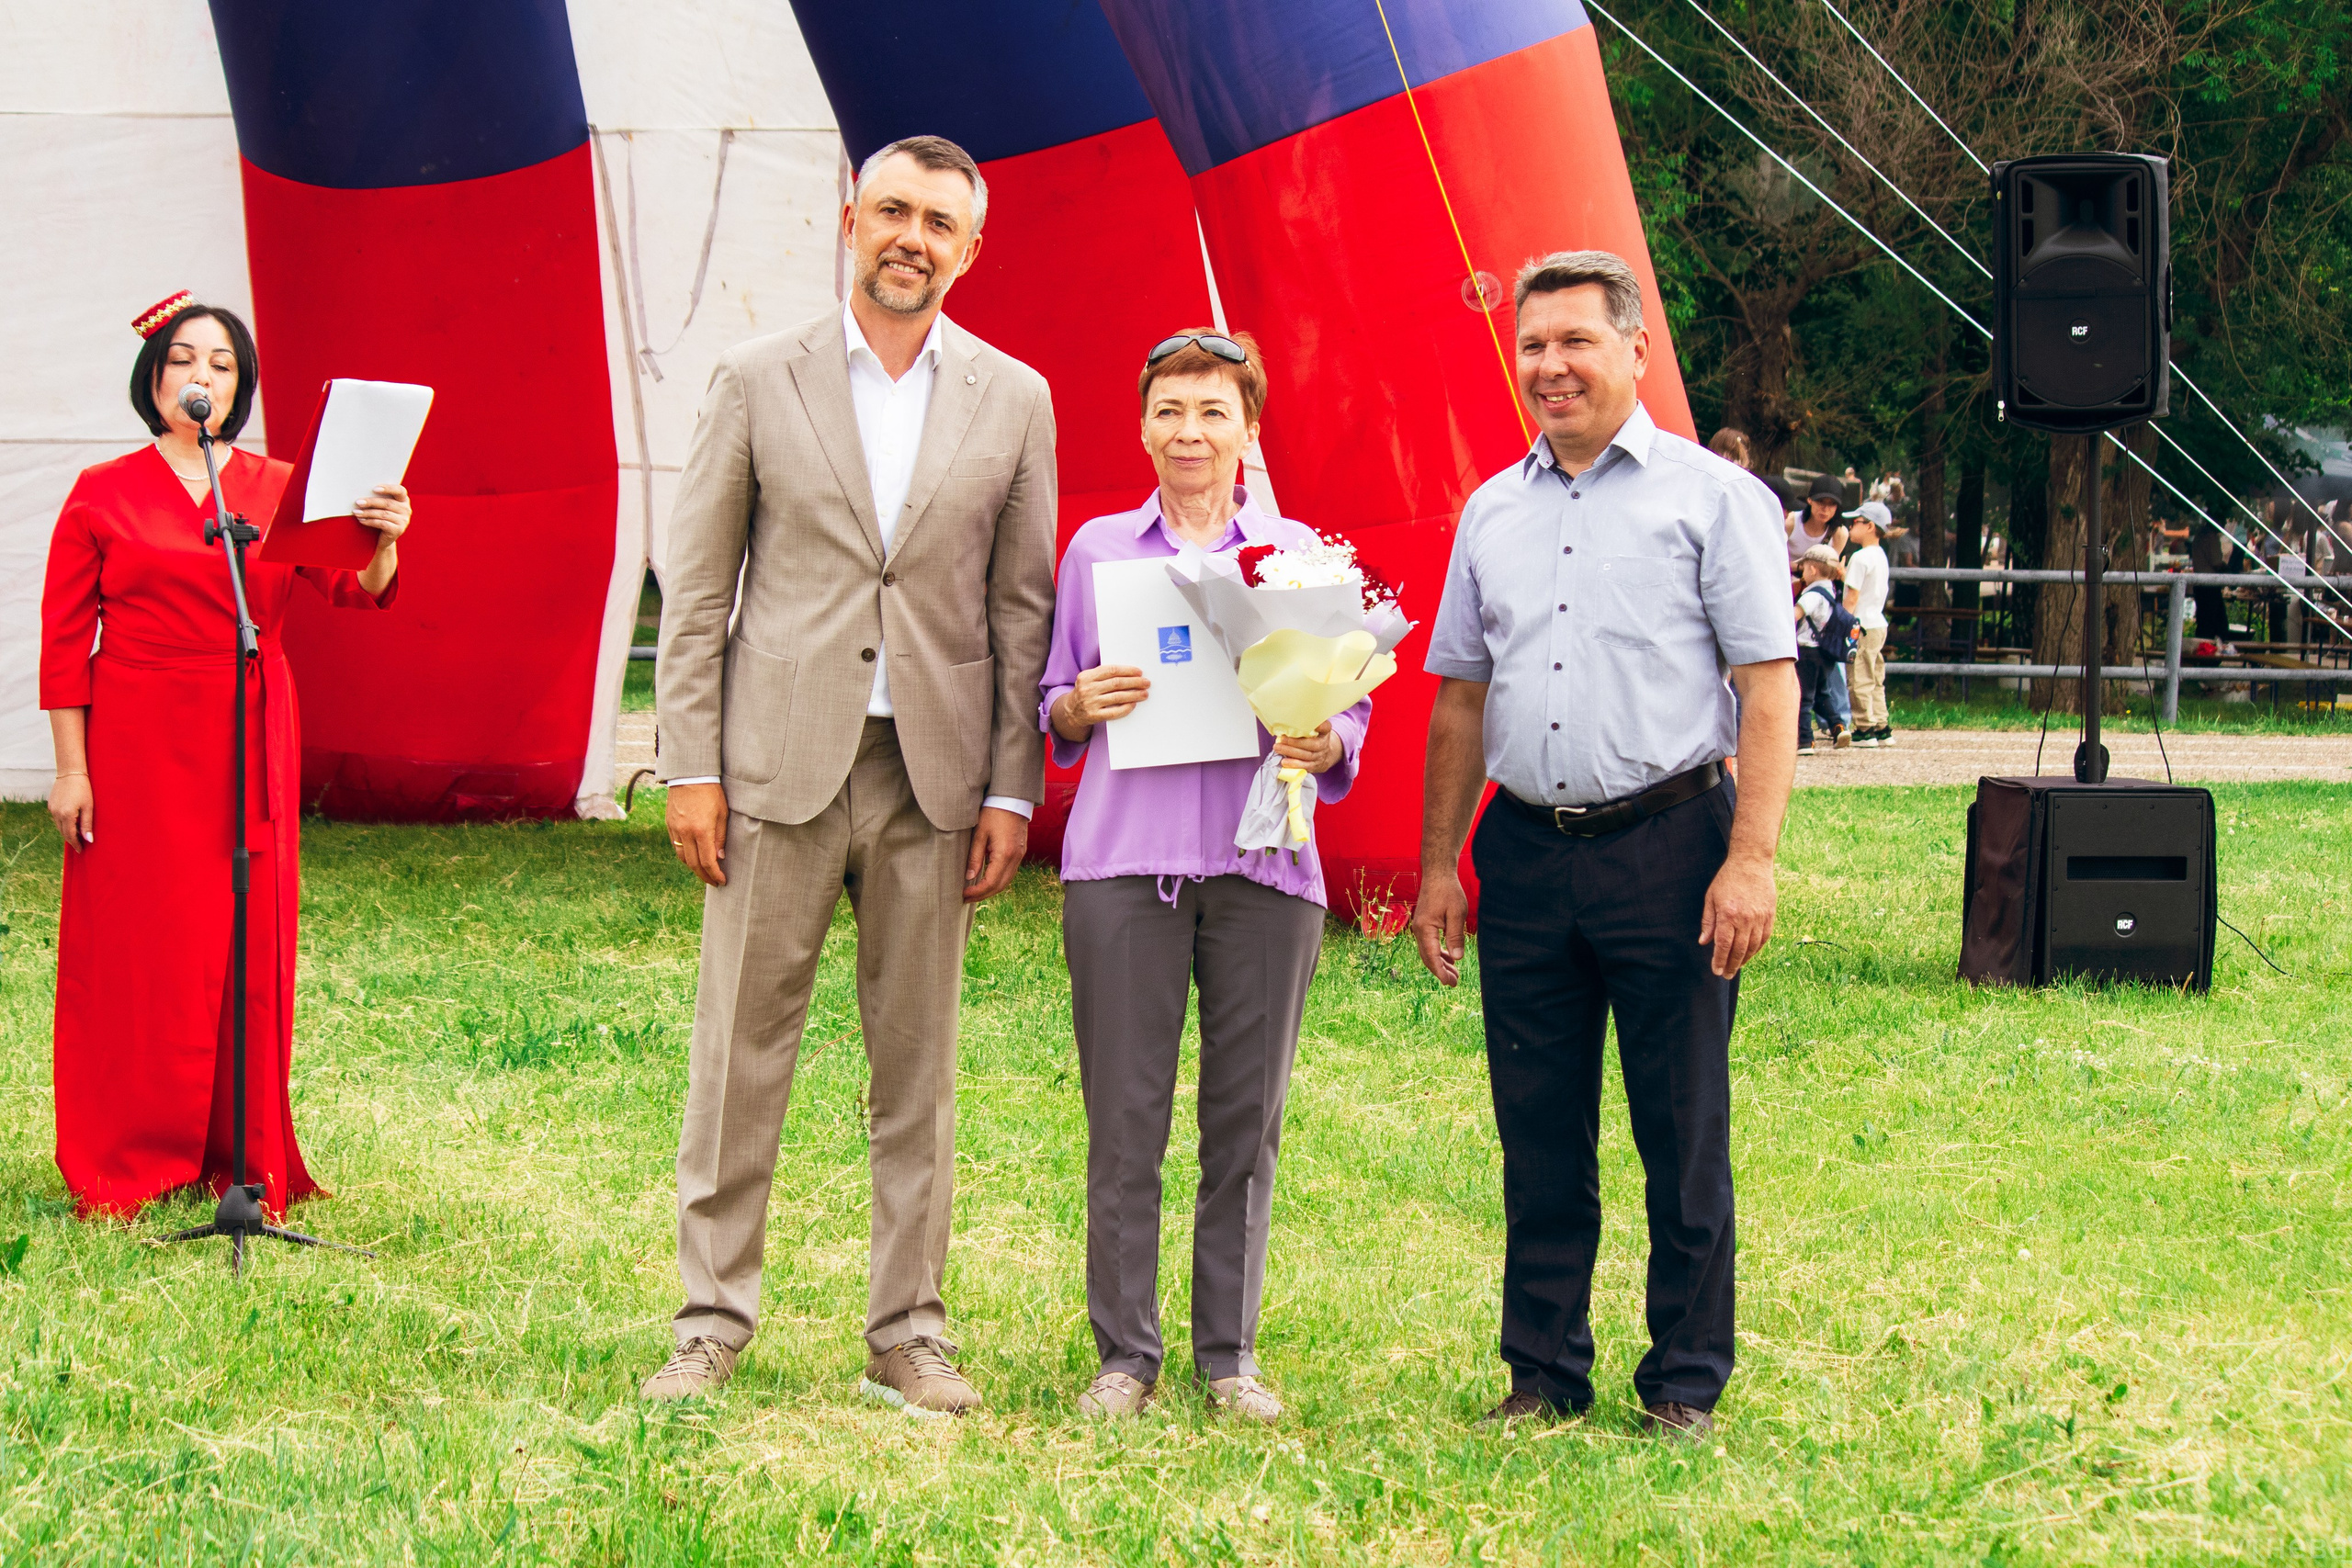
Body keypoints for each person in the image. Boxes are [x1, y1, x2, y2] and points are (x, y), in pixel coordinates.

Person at [643, 135, 1057, 1416]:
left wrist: (1009, 787)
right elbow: (699, 587)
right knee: (739, 1054)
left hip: (933, 780)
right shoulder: (757, 378)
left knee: (916, 1064)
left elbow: (1021, 608)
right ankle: (711, 1318)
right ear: (849, 218)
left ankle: (907, 1329)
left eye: (941, 221)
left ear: (970, 248)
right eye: (893, 210)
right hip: (774, 768)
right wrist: (690, 766)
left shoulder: (1016, 395)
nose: (912, 238)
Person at [1409, 251, 1797, 1438]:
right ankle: (1542, 1371)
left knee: (1680, 1128)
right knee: (1539, 1128)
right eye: (1533, 345)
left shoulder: (1713, 500)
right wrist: (1439, 866)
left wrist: (1754, 854)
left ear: (1637, 349)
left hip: (1672, 845)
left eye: (1576, 340)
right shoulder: (1493, 507)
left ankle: (1683, 1380)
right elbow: (1461, 699)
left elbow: (1769, 685)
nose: (1550, 365)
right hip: (1527, 853)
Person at [1040, 330, 1371, 1423]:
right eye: (1170, 409)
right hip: (1124, 867)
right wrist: (1078, 706)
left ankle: (1227, 1358)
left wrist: (1327, 743)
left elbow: (1345, 710)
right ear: (1142, 426)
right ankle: (1124, 1358)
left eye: (1213, 411)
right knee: (1123, 1116)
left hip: (1264, 865)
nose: (1190, 431)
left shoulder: (1300, 562)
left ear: (1248, 430)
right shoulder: (1094, 552)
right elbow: (1053, 700)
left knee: (1246, 1118)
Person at [40, 293, 406, 1219]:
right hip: (134, 735)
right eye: (184, 362)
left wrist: (386, 536)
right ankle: (129, 1153)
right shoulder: (101, 492)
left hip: (249, 726)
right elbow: (62, 644)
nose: (200, 379)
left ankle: (233, 1148)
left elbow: (354, 588)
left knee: (245, 938)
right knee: (139, 945)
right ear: (154, 378)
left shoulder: (278, 484)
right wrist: (73, 768)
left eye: (221, 367)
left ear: (238, 389)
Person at [1841, 501, 1894, 747]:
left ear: (1870, 526)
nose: (1851, 527)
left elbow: (1852, 597)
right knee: (1875, 675)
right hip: (1877, 623)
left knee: (1859, 676)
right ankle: (1882, 724)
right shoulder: (1879, 555)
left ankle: (1864, 727)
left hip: (1860, 624)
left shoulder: (1859, 557)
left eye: (1856, 522)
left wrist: (1842, 624)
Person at [1792, 546, 1849, 755]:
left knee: (1804, 698)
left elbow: (1795, 615)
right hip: (1825, 654)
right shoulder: (1831, 590)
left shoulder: (1813, 594)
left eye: (1804, 567)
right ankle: (1838, 727)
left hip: (1807, 652)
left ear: (1813, 569)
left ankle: (1805, 740)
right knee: (1822, 695)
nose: (1803, 572)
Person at [1785, 474, 1847, 562]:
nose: (1825, 509)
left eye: (1832, 504)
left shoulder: (1840, 533)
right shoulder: (1791, 522)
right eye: (1821, 502)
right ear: (1810, 500)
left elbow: (1831, 567)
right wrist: (1798, 568)